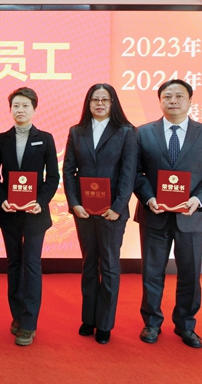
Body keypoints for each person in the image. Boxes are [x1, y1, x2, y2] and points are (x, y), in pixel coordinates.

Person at [134, 79, 202, 349]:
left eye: (179, 96)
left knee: (190, 274)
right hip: (154, 214)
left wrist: (198, 200)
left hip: (192, 217)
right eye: (167, 96)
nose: (173, 101)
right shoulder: (143, 133)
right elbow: (135, 172)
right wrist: (149, 198)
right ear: (159, 101)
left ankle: (186, 325)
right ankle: (152, 322)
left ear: (190, 101)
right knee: (152, 272)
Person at [62, 83, 137, 344]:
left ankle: (104, 324)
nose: (100, 104)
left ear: (113, 103)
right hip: (83, 211)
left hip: (111, 213)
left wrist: (117, 207)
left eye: (105, 99)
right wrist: (74, 203)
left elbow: (128, 173)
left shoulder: (126, 131)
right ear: (88, 103)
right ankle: (89, 318)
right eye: (95, 99)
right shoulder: (77, 131)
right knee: (89, 264)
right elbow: (68, 171)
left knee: (110, 266)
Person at [0, 87, 59, 346]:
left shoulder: (45, 139)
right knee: (14, 264)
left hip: (34, 214)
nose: (20, 110)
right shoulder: (1, 139)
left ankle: (29, 323)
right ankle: (17, 316)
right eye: (16, 106)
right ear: (10, 109)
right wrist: (2, 199)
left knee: (31, 265)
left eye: (25, 106)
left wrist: (40, 202)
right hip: (9, 212)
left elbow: (53, 177)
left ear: (34, 109)